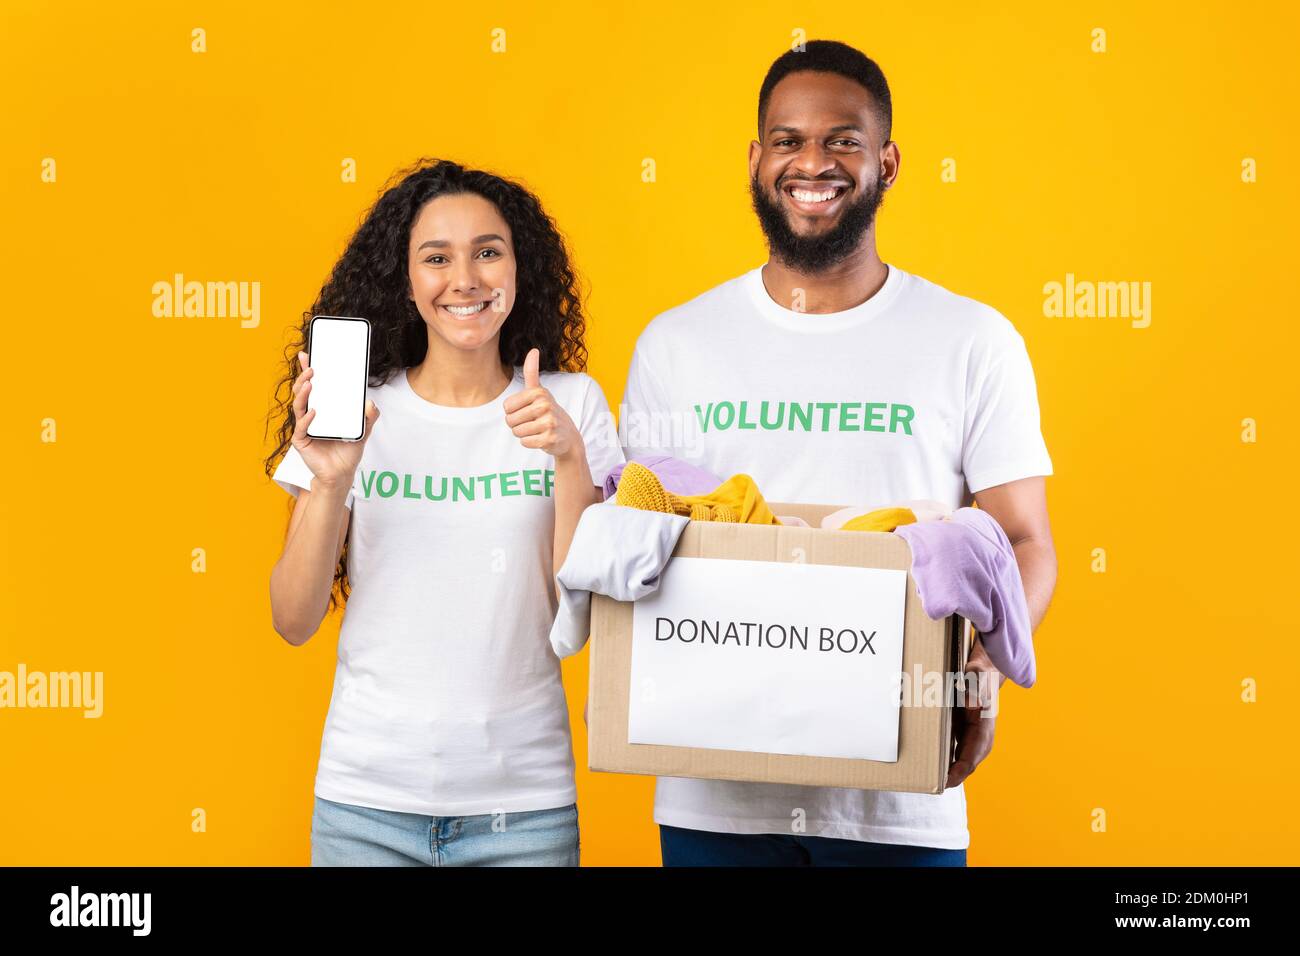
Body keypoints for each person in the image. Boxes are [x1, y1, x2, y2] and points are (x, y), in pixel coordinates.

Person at [619, 40, 1058, 866]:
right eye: (788, 140)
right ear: (756, 161)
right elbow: (637, 538)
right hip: (718, 794)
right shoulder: (677, 344)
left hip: (898, 803)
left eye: (842, 140)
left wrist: (980, 669)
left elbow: (1026, 543)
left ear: (887, 163)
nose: (812, 162)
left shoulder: (972, 340)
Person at [264, 159, 622, 866]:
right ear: (407, 280)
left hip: (521, 810)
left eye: (488, 252)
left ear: (520, 271)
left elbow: (575, 621)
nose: (465, 279)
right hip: (365, 803)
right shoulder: (357, 411)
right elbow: (292, 619)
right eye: (437, 257)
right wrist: (331, 481)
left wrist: (571, 461)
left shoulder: (570, 405)